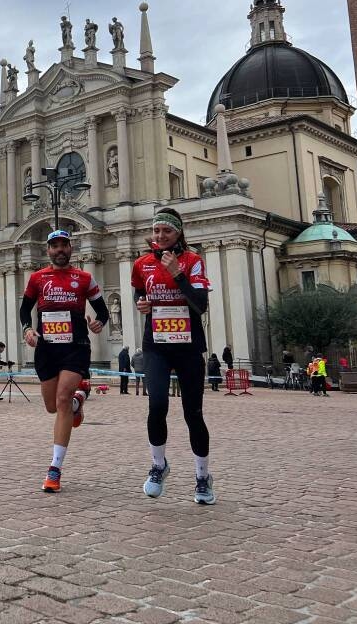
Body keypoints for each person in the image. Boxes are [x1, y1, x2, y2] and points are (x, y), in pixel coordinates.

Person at [132, 208, 216, 504]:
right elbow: (139, 292)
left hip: (188, 346)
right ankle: (158, 466)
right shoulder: (142, 263)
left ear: (178, 233)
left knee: (193, 413)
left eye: (166, 231)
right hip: (156, 345)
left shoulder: (193, 261)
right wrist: (142, 303)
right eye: (156, 230)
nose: (160, 236)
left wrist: (177, 274)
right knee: (157, 405)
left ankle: (203, 477)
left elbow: (200, 304)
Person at [21, 230, 109, 493]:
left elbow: (102, 310)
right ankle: (77, 402)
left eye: (64, 245)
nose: (59, 250)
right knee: (52, 406)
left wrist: (99, 322)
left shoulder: (84, 278)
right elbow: (25, 309)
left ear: (71, 248)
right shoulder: (37, 278)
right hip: (47, 349)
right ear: (48, 250)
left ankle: (54, 469)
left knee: (61, 399)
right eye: (54, 246)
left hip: (75, 347)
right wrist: (27, 329)